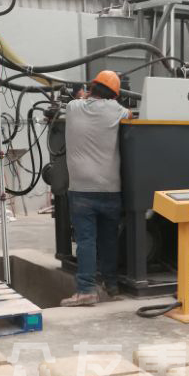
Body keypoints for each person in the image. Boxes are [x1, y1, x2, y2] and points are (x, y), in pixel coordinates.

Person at [60, 70, 131, 306]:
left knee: (86, 241)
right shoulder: (118, 110)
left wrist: (82, 95)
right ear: (115, 95)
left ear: (91, 87)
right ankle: (111, 284)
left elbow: (77, 100)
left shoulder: (73, 108)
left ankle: (86, 290)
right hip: (111, 189)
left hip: (81, 190)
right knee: (109, 239)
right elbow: (131, 116)